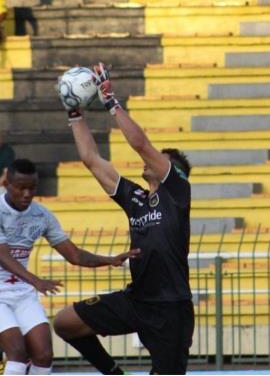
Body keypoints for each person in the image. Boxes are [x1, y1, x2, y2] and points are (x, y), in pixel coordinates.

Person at [53, 63, 194, 375]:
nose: (149, 160)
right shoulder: (137, 199)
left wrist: (110, 101)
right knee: (64, 323)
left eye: (160, 159)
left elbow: (142, 145)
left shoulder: (177, 192)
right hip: (137, 299)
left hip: (171, 307)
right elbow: (92, 160)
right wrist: (74, 114)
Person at [0, 158, 139, 375]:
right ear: (7, 186)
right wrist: (36, 280)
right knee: (17, 351)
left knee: (44, 355)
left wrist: (109, 260)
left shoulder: (41, 215)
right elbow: (1, 255)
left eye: (32, 188)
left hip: (20, 290)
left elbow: (73, 254)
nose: (27, 194)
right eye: (21, 188)